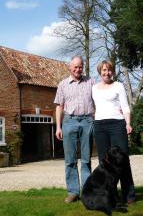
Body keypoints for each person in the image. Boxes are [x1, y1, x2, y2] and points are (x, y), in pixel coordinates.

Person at [92, 60, 136, 205]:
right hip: (100, 126)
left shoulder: (118, 86)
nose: (107, 73)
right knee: (104, 163)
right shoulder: (94, 88)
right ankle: (109, 196)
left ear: (113, 72)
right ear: (100, 72)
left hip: (117, 124)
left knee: (123, 159)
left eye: (109, 70)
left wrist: (128, 123)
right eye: (104, 70)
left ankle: (129, 195)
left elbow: (125, 106)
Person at [54, 56, 95, 203]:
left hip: (87, 121)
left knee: (86, 159)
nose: (78, 69)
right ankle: (73, 192)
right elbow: (59, 106)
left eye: (80, 66)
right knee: (70, 160)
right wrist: (58, 127)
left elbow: (99, 100)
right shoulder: (63, 84)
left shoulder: (91, 82)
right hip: (69, 121)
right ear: (69, 67)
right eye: (75, 67)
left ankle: (87, 191)